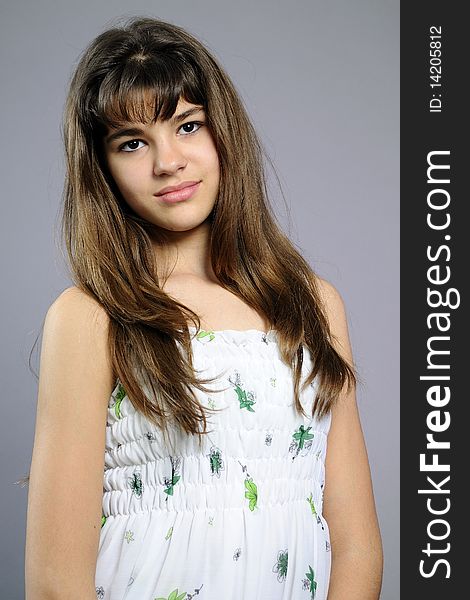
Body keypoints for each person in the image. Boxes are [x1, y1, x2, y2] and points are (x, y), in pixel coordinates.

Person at [24, 16, 383, 600]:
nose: (168, 161)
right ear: (104, 168)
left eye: (187, 126)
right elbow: (53, 579)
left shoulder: (311, 305)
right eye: (132, 142)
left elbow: (357, 543)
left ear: (223, 134)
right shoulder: (90, 317)